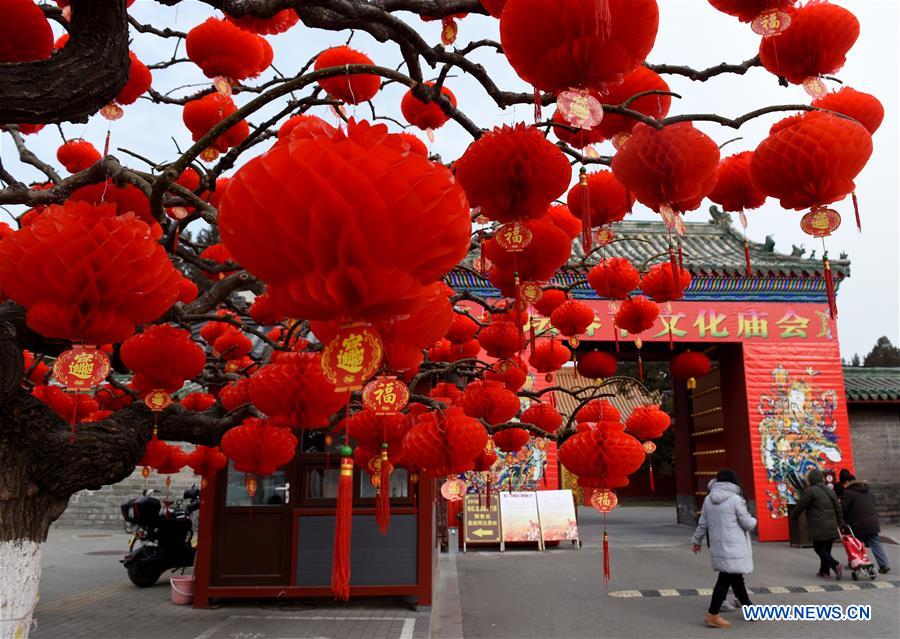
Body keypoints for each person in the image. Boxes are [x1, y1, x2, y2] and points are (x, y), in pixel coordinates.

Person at [692, 469, 757, 629]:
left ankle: (750, 610)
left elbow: (703, 523)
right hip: (735, 547)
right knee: (725, 579)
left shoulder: (708, 499)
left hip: (719, 546)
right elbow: (747, 523)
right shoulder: (736, 499)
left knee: (736, 578)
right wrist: (754, 520)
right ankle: (712, 614)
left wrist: (697, 540)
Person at [791, 468, 845, 579]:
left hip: (819, 525)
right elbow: (838, 508)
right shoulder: (830, 490)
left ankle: (835, 565)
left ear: (811, 479)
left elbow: (801, 506)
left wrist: (793, 516)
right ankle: (824, 571)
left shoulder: (810, 491)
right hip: (831, 525)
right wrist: (841, 524)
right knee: (827, 549)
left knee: (819, 548)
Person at [841, 472, 891, 574]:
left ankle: (854, 563)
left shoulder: (848, 493)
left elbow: (844, 509)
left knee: (854, 544)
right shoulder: (868, 491)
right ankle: (884, 564)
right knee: (875, 543)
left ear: (847, 483)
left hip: (857, 524)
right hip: (872, 522)